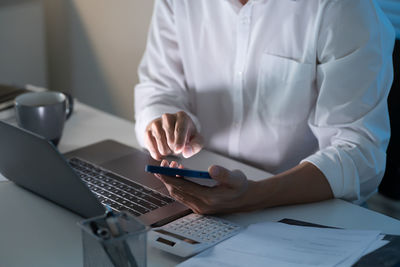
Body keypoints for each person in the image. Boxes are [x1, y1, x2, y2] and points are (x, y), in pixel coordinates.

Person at [134, 0, 395, 214]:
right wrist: (164, 124)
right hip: (192, 196)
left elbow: (359, 152)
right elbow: (158, 88)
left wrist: (253, 196)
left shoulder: (344, 8)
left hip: (305, 212)